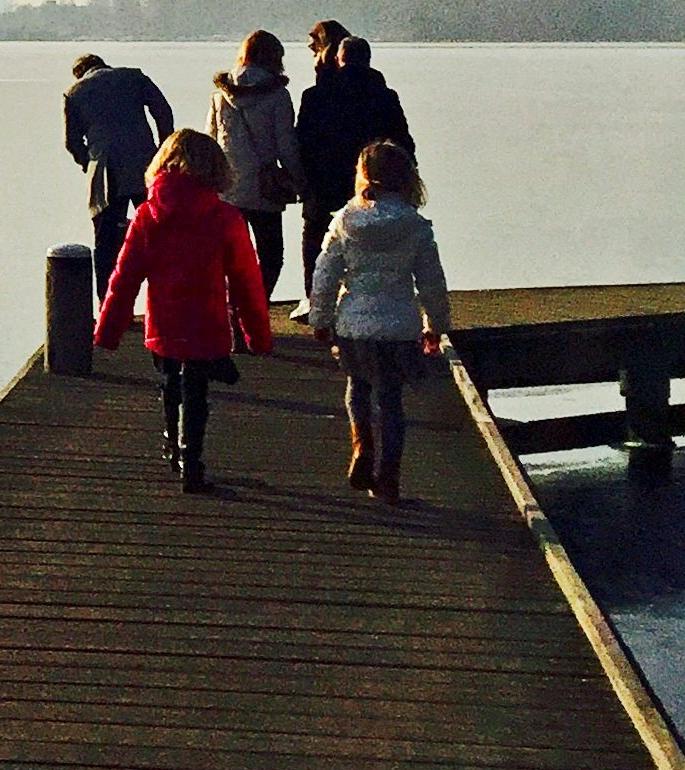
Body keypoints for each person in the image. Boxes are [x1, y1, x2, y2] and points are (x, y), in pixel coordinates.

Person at [94, 128, 271, 492]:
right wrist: (256, 335)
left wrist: (108, 329)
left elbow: (124, 277)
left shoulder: (147, 216)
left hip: (164, 322)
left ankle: (171, 445)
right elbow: (247, 282)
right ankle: (193, 459)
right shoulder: (225, 217)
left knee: (170, 382)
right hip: (206, 323)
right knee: (197, 390)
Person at [306, 139, 451, 504]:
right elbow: (431, 282)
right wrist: (435, 324)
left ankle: (361, 445)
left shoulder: (344, 222)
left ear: (364, 175)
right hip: (398, 326)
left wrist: (320, 318)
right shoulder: (416, 227)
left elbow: (325, 275)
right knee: (391, 401)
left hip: (354, 324)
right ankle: (388, 477)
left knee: (357, 385)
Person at [296, 34, 414, 281]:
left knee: (315, 238)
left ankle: (314, 295)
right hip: (372, 180)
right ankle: (368, 288)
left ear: (339, 60)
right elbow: (402, 140)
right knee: (371, 238)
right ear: (369, 61)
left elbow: (303, 141)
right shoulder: (385, 96)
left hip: (324, 180)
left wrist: (303, 179)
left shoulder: (314, 96)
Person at [63, 53, 174, 301]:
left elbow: (71, 142)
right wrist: (163, 150)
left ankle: (107, 306)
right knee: (162, 234)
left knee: (105, 243)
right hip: (145, 163)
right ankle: (169, 300)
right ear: (103, 64)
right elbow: (162, 111)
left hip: (105, 171)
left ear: (79, 73)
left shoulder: (74, 93)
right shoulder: (134, 76)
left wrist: (87, 162)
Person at [207, 29, 303, 297]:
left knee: (230, 258)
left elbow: (211, 142)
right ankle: (255, 306)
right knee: (272, 256)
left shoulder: (219, 96)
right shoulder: (277, 95)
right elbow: (286, 145)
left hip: (227, 188)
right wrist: (300, 181)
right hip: (264, 188)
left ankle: (231, 308)